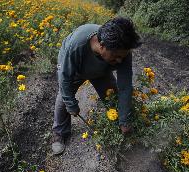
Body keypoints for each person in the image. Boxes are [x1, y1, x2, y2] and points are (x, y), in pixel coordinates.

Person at [52, 17, 141, 155]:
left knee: (113, 97)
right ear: (102, 45)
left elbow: (125, 86)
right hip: (76, 69)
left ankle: (116, 126)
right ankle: (60, 133)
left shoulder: (122, 51)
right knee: (63, 100)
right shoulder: (76, 45)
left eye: (122, 57)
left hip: (102, 70)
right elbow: (64, 79)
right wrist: (71, 104)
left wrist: (124, 120)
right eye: (116, 56)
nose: (119, 61)